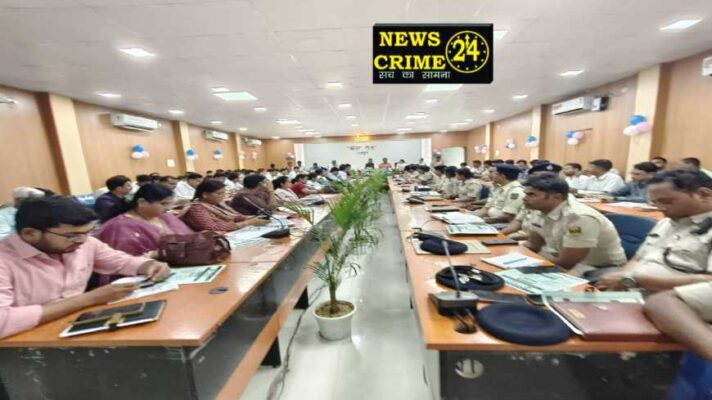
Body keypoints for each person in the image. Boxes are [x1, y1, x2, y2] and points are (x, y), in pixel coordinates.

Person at [0, 196, 171, 339]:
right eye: (72, 235)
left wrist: (148, 265)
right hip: (22, 341)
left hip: (75, 325)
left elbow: (118, 261)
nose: (82, 240)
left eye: (88, 232)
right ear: (30, 234)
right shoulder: (5, 260)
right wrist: (89, 299)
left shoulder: (84, 243)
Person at [596, 169, 712, 291]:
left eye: (667, 202)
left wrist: (634, 280)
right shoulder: (666, 222)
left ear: (703, 195)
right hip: (631, 290)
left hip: (670, 298)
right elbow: (638, 259)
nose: (660, 208)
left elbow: (709, 285)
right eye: (654, 202)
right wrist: (620, 279)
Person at [522, 174, 627, 278]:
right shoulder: (539, 208)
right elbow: (533, 245)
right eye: (525, 194)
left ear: (557, 197)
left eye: (531, 195)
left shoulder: (580, 218)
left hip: (597, 267)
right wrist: (516, 257)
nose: (525, 198)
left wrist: (528, 268)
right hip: (562, 258)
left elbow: (567, 263)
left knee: (528, 279)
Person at [97, 184, 193, 260]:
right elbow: (123, 261)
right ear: (142, 202)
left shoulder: (166, 217)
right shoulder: (120, 226)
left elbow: (190, 239)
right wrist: (155, 254)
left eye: (170, 204)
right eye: (163, 204)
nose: (168, 208)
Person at [181, 180, 268, 232]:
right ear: (204, 194)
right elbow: (212, 228)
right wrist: (247, 223)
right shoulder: (196, 208)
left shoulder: (215, 204)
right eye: (219, 193)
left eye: (223, 193)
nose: (222, 196)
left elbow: (234, 217)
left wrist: (250, 218)